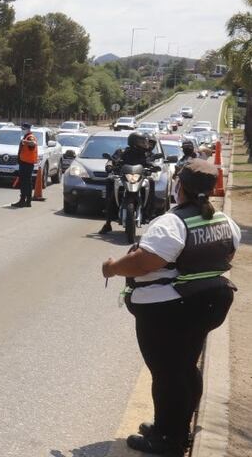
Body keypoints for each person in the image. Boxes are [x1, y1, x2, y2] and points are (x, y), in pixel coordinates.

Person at [102, 158, 238, 455]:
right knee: (184, 366)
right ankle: (176, 425)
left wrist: (112, 268)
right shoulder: (223, 221)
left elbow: (144, 263)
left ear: (180, 186)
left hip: (168, 310)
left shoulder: (172, 223)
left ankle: (168, 439)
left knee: (167, 373)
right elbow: (225, 255)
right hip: (208, 302)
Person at [100, 131, 156, 234]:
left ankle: (150, 212)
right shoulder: (122, 152)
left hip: (140, 178)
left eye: (145, 142)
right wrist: (110, 165)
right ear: (134, 142)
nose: (144, 144)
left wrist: (153, 167)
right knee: (110, 180)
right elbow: (112, 160)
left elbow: (152, 162)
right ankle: (108, 220)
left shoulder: (146, 154)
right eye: (142, 142)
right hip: (124, 177)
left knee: (151, 181)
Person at [11, 123, 38, 208]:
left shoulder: (30, 137)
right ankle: (26, 201)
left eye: (23, 129)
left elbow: (33, 143)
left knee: (25, 183)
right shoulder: (26, 136)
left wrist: (25, 141)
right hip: (25, 163)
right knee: (26, 182)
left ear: (28, 129)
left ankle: (24, 201)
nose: (22, 130)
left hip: (27, 164)